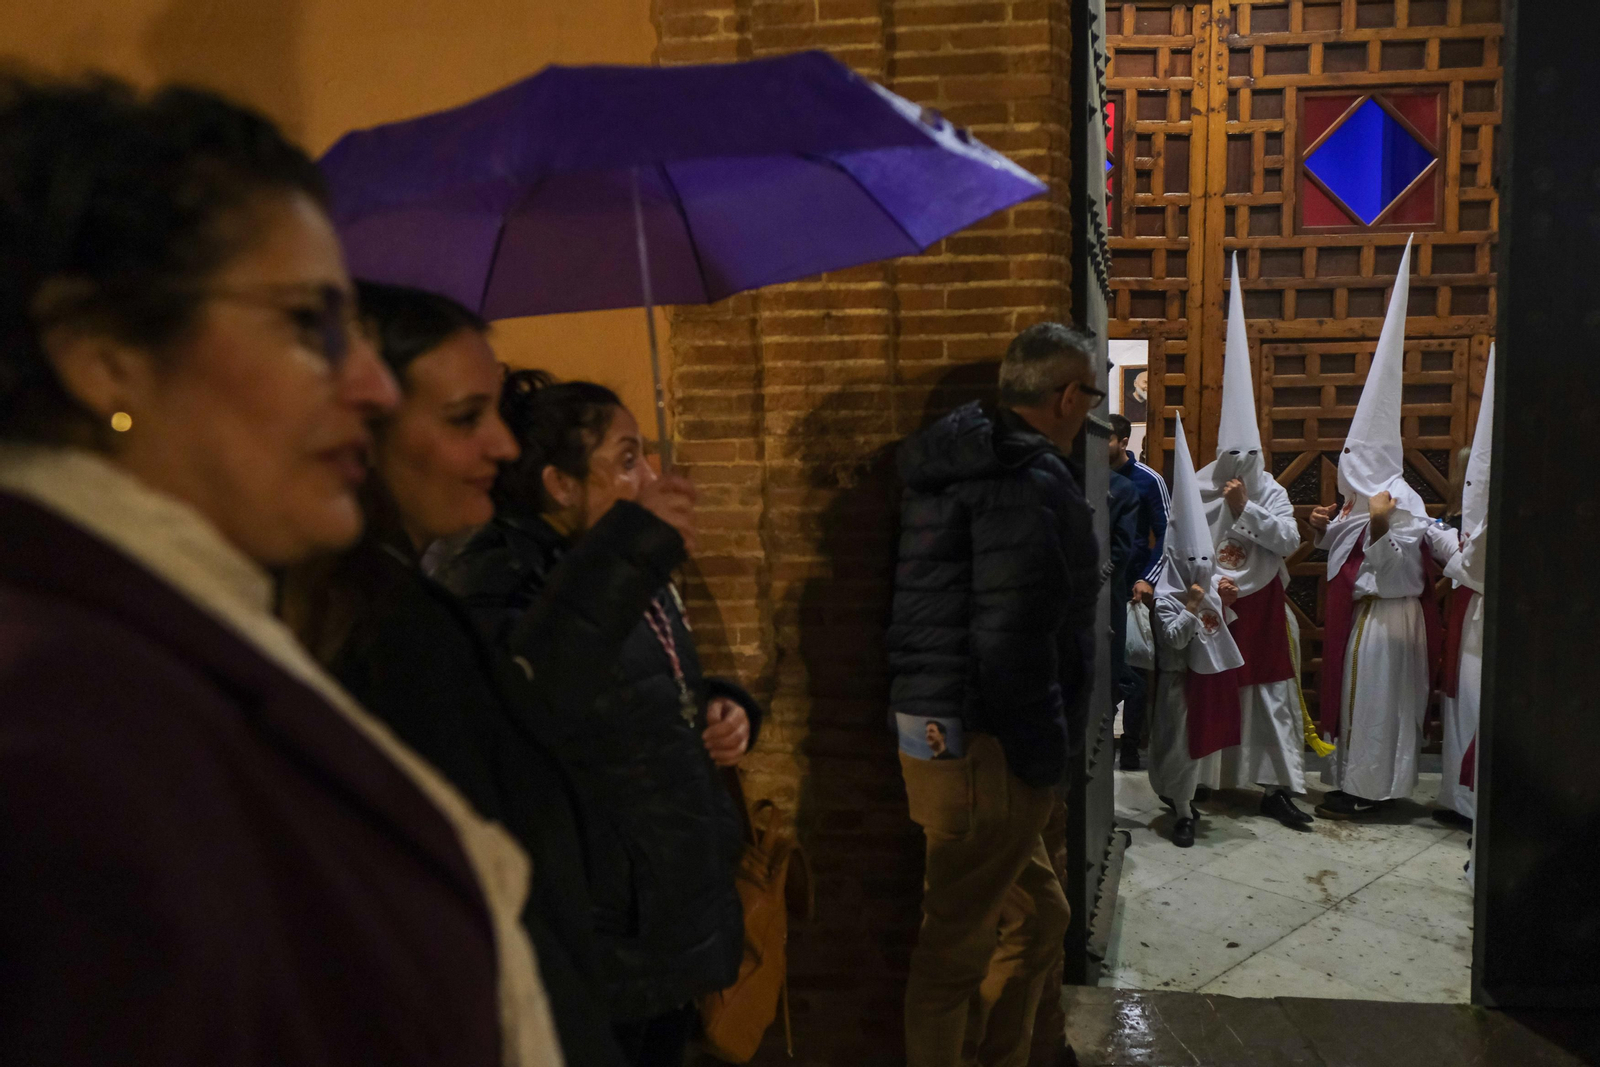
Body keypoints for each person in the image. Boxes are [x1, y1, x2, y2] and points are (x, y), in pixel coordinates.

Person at [0, 76, 560, 1064]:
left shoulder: (162, 640)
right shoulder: (59, 719)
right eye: (310, 323)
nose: (374, 385)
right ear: (106, 355)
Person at [281, 282, 701, 1066]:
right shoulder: (377, 626)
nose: (504, 449)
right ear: (361, 421)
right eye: (464, 419)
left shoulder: (397, 597)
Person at [436, 373, 760, 1067]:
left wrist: (722, 704)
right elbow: (538, 697)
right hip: (602, 924)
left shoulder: (625, 558)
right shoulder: (492, 573)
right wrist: (635, 548)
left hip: (665, 906)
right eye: (625, 458)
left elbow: (645, 677)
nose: (648, 474)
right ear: (559, 484)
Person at [887, 322, 1101, 1067]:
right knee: (953, 949)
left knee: (1042, 915)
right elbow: (1013, 635)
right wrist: (1046, 755)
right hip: (986, 743)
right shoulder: (1023, 479)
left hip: (939, 728)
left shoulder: (954, 466)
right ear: (1069, 396)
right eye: (1091, 395)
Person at [1312, 240, 1458, 820]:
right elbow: (1342, 556)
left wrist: (1374, 524)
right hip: (1367, 615)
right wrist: (1334, 525)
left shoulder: (1400, 498)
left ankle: (1375, 793)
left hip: (1392, 617)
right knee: (1358, 701)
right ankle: (1353, 783)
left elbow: (1399, 568)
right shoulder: (1362, 497)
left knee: (1380, 704)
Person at [1196, 255, 1315, 830]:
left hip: (1263, 606)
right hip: (1214, 606)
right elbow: (1183, 544)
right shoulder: (1199, 485)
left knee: (1269, 698)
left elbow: (1289, 540)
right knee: (1215, 692)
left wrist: (1245, 512)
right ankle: (1204, 782)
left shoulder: (1270, 492)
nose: (1238, 470)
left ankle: (1275, 787)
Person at [1149, 416, 1245, 848]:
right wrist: (1191, 604)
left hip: (1203, 682)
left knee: (1192, 751)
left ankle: (1185, 810)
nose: (1200, 570)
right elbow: (1174, 638)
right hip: (1175, 682)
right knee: (1174, 748)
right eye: (1192, 562)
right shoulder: (1167, 595)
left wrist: (1223, 601)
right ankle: (1176, 800)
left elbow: (1218, 630)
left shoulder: (1202, 583)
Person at [1437, 345, 1495, 828]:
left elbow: (1469, 564)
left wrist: (1444, 547)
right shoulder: (1463, 512)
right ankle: (1459, 798)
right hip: (1464, 610)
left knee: (1476, 702)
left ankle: (1475, 803)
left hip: (1480, 613)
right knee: (1458, 702)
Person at [1109, 412, 1170, 770]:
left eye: (1109, 440)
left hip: (1134, 584)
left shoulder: (1148, 479)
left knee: (1133, 664)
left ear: (1123, 441)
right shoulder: (1090, 474)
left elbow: (1167, 533)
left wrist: (1149, 577)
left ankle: (1131, 742)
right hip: (1103, 583)